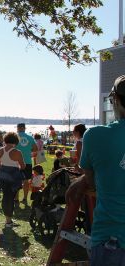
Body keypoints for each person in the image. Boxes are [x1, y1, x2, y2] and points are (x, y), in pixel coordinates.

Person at [66, 75, 125, 266]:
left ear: (115, 100)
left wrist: (82, 181)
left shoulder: (96, 136)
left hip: (112, 237)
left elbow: (92, 180)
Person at [0, 132, 25, 228]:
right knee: (10, 199)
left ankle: (8, 220)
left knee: (6, 197)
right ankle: (8, 221)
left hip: (3, 176)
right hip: (13, 177)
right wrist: (15, 169)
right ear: (15, 141)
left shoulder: (1, 150)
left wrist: (4, 169)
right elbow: (23, 166)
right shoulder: (17, 152)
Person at [16, 123, 37, 204]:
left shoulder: (15, 137)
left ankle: (16, 198)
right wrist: (28, 151)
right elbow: (36, 148)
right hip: (27, 161)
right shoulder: (30, 137)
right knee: (26, 181)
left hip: (17, 162)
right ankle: (25, 198)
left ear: (18, 128)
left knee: (17, 180)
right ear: (25, 128)